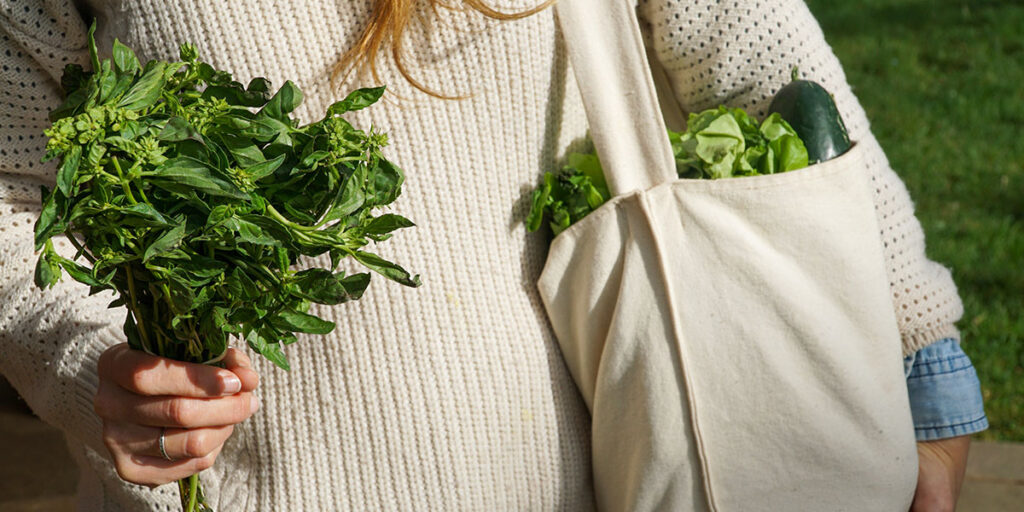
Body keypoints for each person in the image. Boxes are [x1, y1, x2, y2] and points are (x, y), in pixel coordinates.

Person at [0, 0, 986, 509]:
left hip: (593, 483)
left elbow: (761, 54)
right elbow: (10, 196)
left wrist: (917, 355)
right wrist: (94, 370)